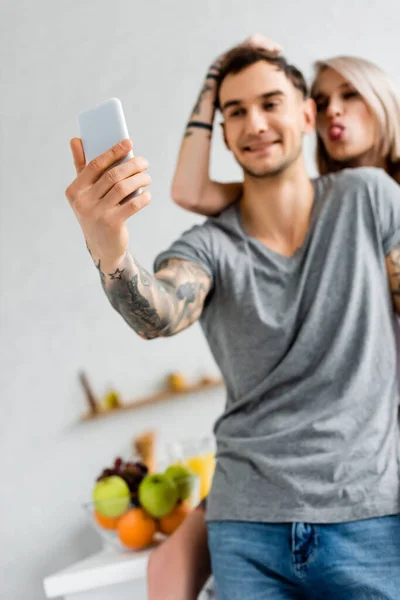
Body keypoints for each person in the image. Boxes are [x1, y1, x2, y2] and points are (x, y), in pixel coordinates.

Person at [66, 45, 400, 599]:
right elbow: (159, 312)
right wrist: (110, 250)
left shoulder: (369, 198)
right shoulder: (209, 245)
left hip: (368, 520)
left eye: (271, 103)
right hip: (247, 528)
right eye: (236, 112)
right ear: (222, 134)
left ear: (307, 116)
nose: (255, 123)